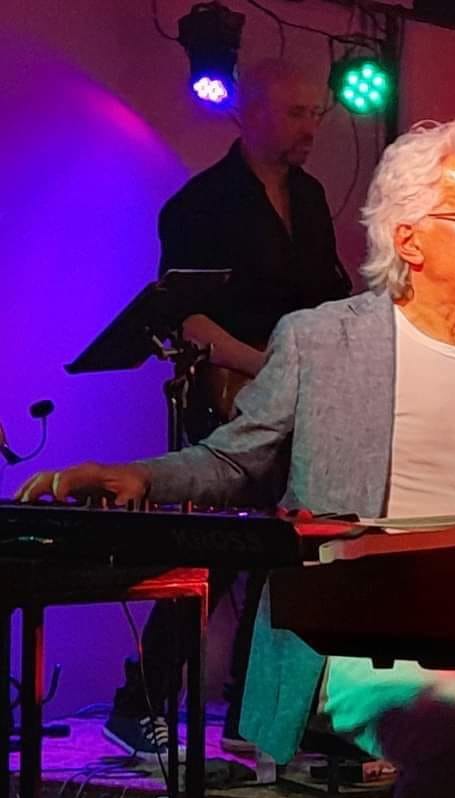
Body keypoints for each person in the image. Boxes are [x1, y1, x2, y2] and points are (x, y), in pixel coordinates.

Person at [18, 119, 455, 798]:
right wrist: (140, 476)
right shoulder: (321, 340)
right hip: (359, 639)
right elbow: (234, 460)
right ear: (409, 239)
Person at [107, 58, 352, 759]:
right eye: (298, 113)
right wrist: (269, 367)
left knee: (284, 551)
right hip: (231, 395)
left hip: (291, 392)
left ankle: (255, 711)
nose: (311, 128)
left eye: (317, 113)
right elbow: (184, 316)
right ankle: (141, 701)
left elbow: (324, 301)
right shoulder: (200, 203)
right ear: (250, 113)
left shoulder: (309, 196)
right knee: (212, 557)